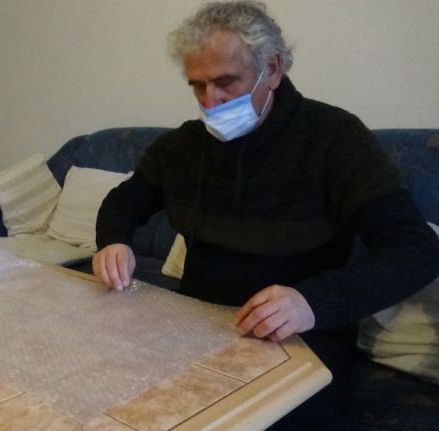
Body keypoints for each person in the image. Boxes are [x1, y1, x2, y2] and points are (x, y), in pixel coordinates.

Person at [92, 1, 439, 429]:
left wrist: (313, 301)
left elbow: (417, 249)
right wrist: (113, 241)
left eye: (225, 82)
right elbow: (123, 202)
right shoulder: (181, 148)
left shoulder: (336, 139)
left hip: (301, 341)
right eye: (197, 86)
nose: (210, 102)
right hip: (192, 326)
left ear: (271, 69)